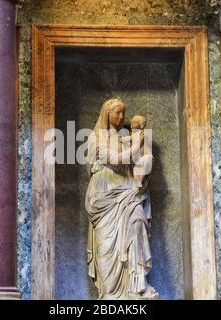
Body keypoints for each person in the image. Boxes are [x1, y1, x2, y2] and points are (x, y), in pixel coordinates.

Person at [85, 98, 159, 300]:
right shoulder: (95, 137)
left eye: (123, 113)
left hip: (127, 190)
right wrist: (135, 146)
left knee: (137, 224)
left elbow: (142, 162)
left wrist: (143, 151)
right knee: (106, 244)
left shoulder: (124, 137)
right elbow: (115, 160)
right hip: (104, 193)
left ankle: (137, 285)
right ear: (106, 114)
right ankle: (109, 293)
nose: (121, 117)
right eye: (117, 112)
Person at [120, 115, 153, 188]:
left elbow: (129, 140)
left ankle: (138, 183)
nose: (132, 123)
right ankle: (136, 184)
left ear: (141, 125)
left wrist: (120, 139)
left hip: (143, 157)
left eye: (134, 122)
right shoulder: (135, 134)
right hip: (138, 158)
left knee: (140, 170)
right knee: (136, 171)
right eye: (132, 121)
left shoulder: (140, 133)